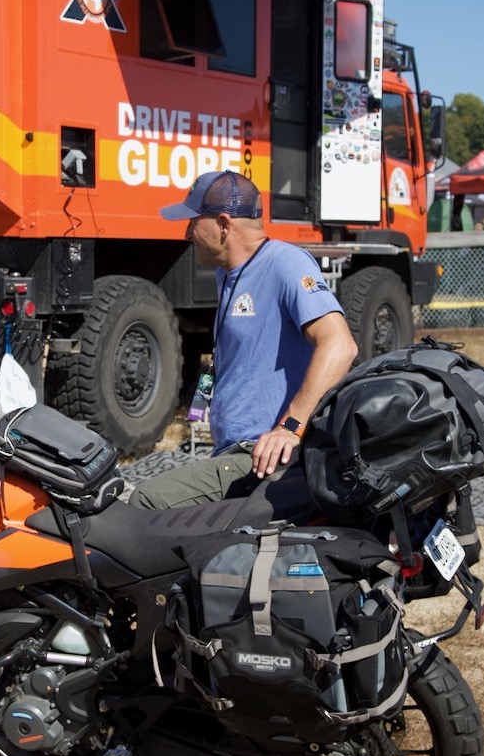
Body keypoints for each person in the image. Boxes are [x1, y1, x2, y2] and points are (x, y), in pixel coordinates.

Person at [132, 171, 358, 510]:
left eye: (194, 221)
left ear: (223, 224)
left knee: (146, 502)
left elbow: (340, 346)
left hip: (261, 456)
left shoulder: (286, 263)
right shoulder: (227, 274)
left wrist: (290, 427)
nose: (186, 233)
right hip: (233, 451)